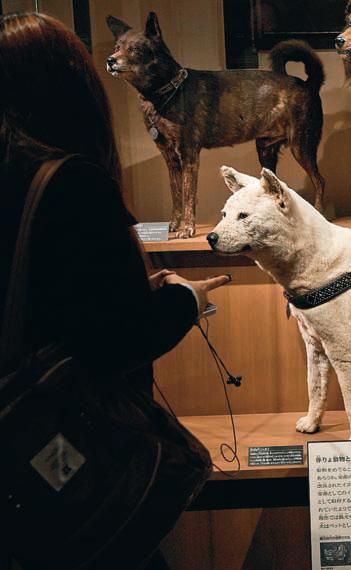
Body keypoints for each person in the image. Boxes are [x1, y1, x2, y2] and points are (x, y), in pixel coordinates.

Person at [0, 12, 227, 568]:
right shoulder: (69, 182)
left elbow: (45, 298)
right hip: (63, 454)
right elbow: (116, 339)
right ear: (69, 87)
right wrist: (185, 299)